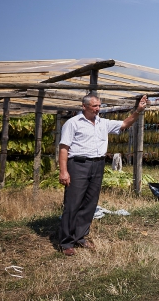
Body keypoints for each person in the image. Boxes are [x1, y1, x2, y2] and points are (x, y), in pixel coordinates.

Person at [57, 93, 148, 256]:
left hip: (98, 164)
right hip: (78, 164)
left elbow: (125, 123)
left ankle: (80, 236)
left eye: (99, 106)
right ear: (84, 106)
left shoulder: (103, 123)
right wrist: (63, 171)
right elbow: (64, 148)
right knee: (73, 203)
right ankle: (66, 242)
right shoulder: (72, 124)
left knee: (90, 202)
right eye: (94, 106)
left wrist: (138, 110)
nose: (98, 109)